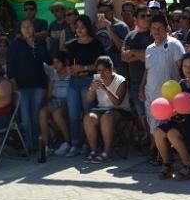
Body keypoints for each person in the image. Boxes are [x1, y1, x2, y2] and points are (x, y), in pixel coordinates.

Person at [154, 53, 190, 179]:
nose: (187, 69)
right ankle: (167, 164)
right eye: (185, 66)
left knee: (172, 133)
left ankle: (188, 165)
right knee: (158, 131)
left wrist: (175, 112)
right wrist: (168, 112)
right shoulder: (180, 84)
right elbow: (172, 103)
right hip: (180, 120)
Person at [63, 15, 106, 155]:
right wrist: (70, 70)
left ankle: (90, 143)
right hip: (74, 81)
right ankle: (75, 144)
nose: (79, 29)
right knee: (73, 114)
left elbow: (100, 64)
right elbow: (68, 64)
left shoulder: (96, 44)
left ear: (88, 27)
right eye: (77, 27)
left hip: (89, 80)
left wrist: (84, 68)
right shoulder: (72, 44)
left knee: (88, 113)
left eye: (82, 26)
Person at [7, 19, 50, 159]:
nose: (27, 29)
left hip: (39, 84)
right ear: (20, 29)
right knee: (25, 117)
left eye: (29, 26)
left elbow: (49, 60)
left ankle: (38, 145)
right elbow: (10, 67)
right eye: (23, 26)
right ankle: (28, 146)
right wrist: (14, 88)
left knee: (35, 115)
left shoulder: (39, 43)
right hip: (22, 86)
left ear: (33, 28)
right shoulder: (15, 45)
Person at [141, 13, 185, 137]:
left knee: (166, 129)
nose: (157, 31)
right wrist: (141, 87)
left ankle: (162, 154)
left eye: (159, 28)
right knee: (153, 127)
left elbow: (182, 68)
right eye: (154, 28)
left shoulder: (174, 44)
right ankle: (156, 154)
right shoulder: (149, 49)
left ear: (166, 28)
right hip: (151, 94)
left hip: (169, 96)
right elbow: (148, 70)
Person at [82, 55, 130, 163]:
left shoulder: (121, 80)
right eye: (99, 71)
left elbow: (117, 102)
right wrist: (92, 90)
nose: (102, 74)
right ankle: (94, 151)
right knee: (88, 117)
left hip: (120, 110)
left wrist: (105, 89)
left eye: (105, 70)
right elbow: (88, 100)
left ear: (111, 69)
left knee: (106, 118)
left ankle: (107, 152)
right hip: (102, 109)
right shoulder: (97, 79)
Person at [121, 7, 154, 137]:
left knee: (153, 113)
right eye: (143, 16)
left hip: (152, 80)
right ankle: (148, 139)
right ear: (135, 19)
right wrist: (143, 54)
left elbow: (153, 55)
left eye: (148, 15)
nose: (147, 18)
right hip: (135, 81)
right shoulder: (130, 35)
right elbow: (124, 57)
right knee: (141, 113)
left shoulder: (154, 33)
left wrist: (134, 53)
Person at [40, 52, 72, 157]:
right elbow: (49, 93)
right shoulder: (53, 74)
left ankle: (68, 142)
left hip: (68, 102)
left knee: (57, 114)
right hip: (55, 100)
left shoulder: (70, 73)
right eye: (53, 63)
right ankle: (45, 145)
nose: (55, 65)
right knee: (42, 112)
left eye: (58, 62)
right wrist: (49, 102)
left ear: (63, 62)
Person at [94, 0, 130, 76]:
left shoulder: (121, 26)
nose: (104, 14)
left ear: (112, 11)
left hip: (118, 68)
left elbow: (125, 49)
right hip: (100, 69)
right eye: (101, 12)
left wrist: (109, 28)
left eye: (106, 11)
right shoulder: (94, 26)